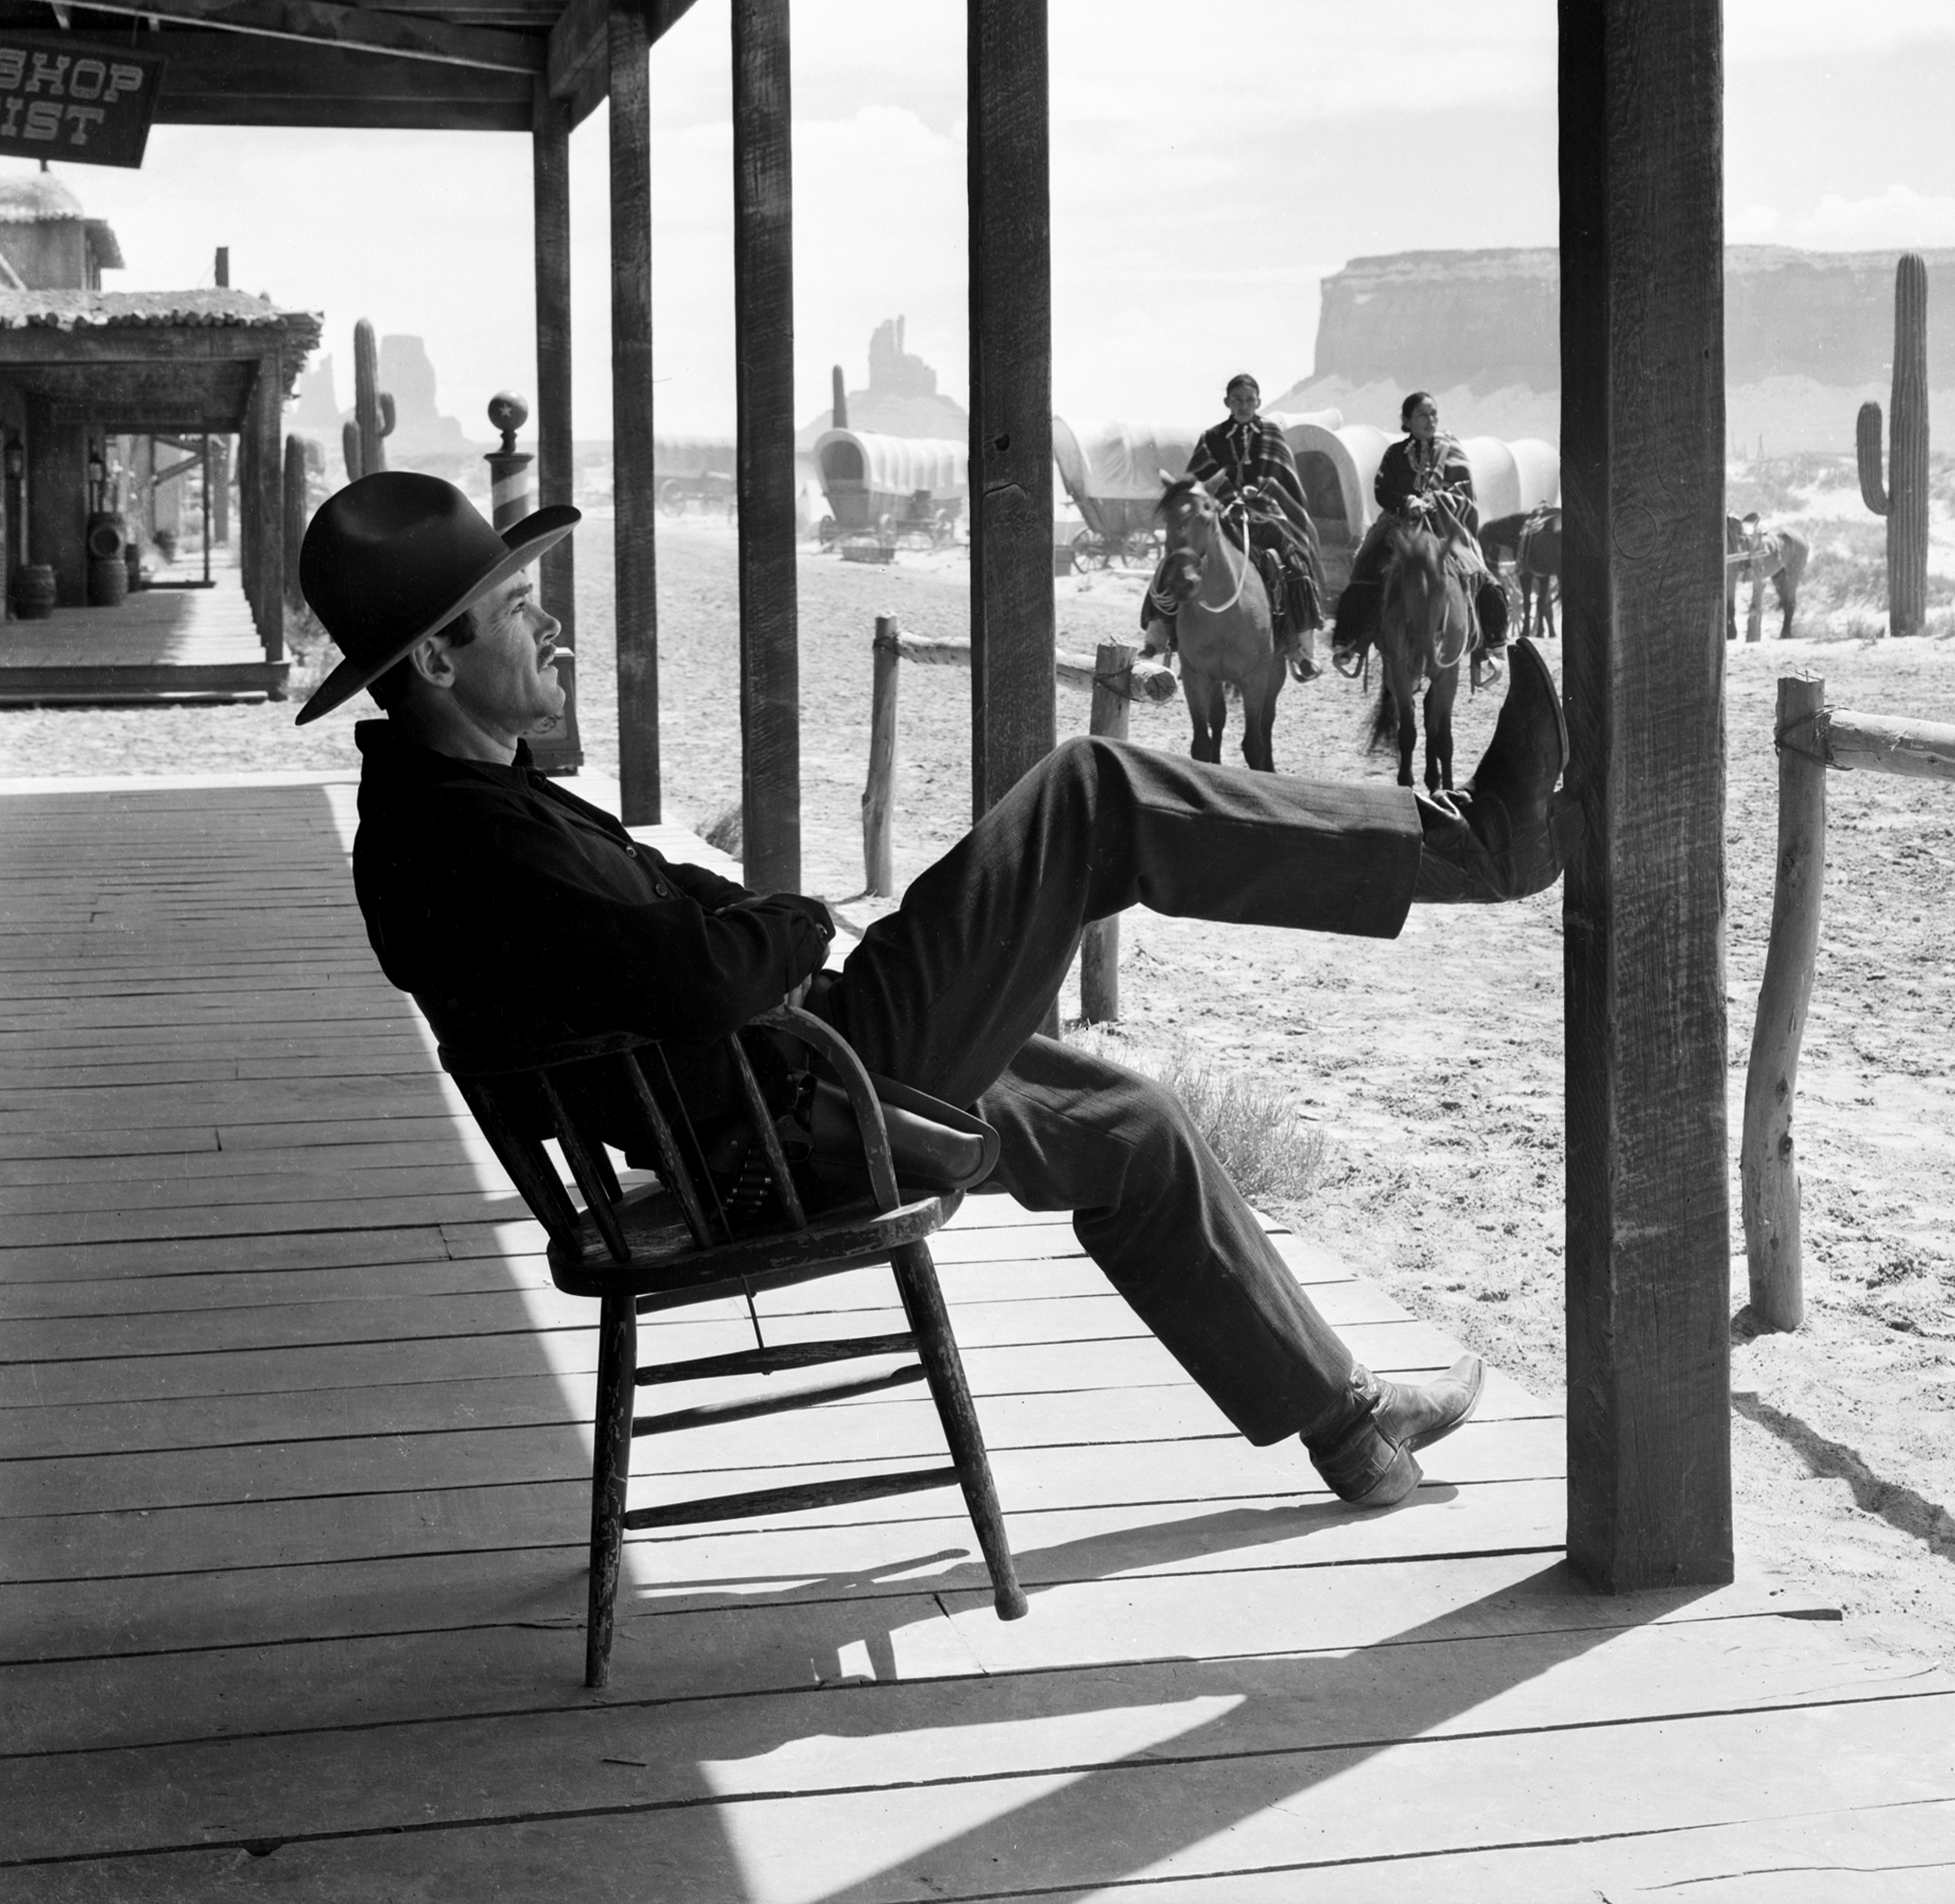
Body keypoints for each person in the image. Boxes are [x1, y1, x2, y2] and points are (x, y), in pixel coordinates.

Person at [299, 472, 1576, 1513]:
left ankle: (1352, 1430)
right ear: (436, 662)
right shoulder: (463, 845)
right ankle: (1479, 842)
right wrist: (793, 923)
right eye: (520, 608)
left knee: (1130, 1130)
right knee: (1095, 793)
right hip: (798, 1115)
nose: (550, 625)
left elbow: (674, 926)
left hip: (780, 1094)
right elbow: (700, 966)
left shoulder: (462, 810)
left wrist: (738, 932)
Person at [1141, 373, 1325, 678]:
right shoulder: (1211, 437)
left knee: (1295, 563)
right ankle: (1157, 633)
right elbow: (1200, 481)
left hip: (1266, 513)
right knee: (1179, 556)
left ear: (1259, 402)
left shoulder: (1271, 433)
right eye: (1237, 400)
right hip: (1220, 513)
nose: (1243, 405)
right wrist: (1226, 497)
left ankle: (1301, 648)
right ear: (1227, 402)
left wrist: (1260, 490)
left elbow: (1281, 476)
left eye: (1249, 400)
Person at [1332, 390, 1508, 672]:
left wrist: (1438, 503)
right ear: (1406, 420)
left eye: (1433, 414)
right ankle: (1350, 642)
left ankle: (1491, 645)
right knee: (1367, 566)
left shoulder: (1453, 453)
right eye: (1422, 414)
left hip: (1443, 526)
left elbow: (1464, 494)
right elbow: (1382, 490)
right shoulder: (1394, 454)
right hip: (1400, 525)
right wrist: (1407, 501)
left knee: (1478, 572)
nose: (1430, 420)